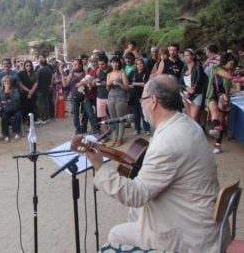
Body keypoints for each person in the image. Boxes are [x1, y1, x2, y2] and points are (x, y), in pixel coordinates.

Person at [84, 74, 221, 252]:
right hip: (200, 217)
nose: (142, 104)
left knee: (116, 235)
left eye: (143, 99)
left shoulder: (167, 141)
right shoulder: (188, 123)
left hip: (188, 234)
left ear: (154, 101)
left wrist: (99, 166)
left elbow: (135, 195)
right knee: (137, 212)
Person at [205, 52, 236, 154]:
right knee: (214, 111)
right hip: (212, 94)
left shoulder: (229, 70)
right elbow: (228, 76)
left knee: (221, 121)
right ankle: (215, 127)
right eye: (230, 64)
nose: (232, 66)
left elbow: (227, 87)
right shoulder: (216, 68)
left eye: (233, 64)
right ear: (224, 62)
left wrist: (227, 97)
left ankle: (218, 144)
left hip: (223, 97)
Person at [179, 48, 208, 123]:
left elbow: (199, 80)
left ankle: (198, 132)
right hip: (186, 94)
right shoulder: (184, 68)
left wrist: (193, 90)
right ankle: (195, 132)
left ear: (193, 56)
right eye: (184, 56)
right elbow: (180, 82)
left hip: (196, 93)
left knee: (194, 116)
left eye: (187, 55)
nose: (185, 57)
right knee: (190, 116)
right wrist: (185, 88)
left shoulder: (198, 66)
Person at [106, 55, 129, 147]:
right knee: (112, 119)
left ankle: (120, 138)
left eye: (116, 62)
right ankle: (114, 138)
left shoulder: (122, 73)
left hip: (120, 98)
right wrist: (109, 84)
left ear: (119, 63)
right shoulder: (109, 74)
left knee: (120, 119)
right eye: (112, 62)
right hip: (110, 97)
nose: (114, 64)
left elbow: (126, 87)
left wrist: (119, 83)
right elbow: (107, 88)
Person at [127, 58, 150, 135]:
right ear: (135, 65)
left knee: (144, 114)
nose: (139, 65)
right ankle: (137, 129)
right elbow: (128, 83)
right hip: (134, 96)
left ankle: (147, 129)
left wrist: (136, 84)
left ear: (143, 64)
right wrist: (130, 86)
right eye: (137, 64)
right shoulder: (132, 73)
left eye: (141, 63)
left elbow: (146, 84)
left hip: (143, 97)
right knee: (136, 114)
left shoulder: (146, 73)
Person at [64, 58, 85, 134]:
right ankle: (78, 128)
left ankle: (84, 126)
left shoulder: (84, 73)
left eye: (76, 64)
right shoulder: (72, 73)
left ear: (80, 65)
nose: (74, 65)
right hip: (74, 95)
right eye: (74, 64)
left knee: (85, 112)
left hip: (84, 95)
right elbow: (66, 84)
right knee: (75, 113)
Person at [0, 75, 22, 142]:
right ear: (3, 83)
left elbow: (16, 98)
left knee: (18, 115)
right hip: (6, 109)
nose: (7, 83)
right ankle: (6, 134)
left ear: (11, 82)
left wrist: (7, 101)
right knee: (4, 117)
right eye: (5, 82)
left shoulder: (15, 90)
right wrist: (6, 91)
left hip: (15, 108)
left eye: (8, 81)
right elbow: (1, 99)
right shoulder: (1, 91)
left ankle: (17, 132)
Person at [35, 54, 53, 124]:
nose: (39, 59)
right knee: (46, 103)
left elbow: (36, 80)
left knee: (40, 104)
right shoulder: (48, 69)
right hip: (47, 88)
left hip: (40, 89)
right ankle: (47, 117)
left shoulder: (40, 70)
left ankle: (43, 118)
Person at [18, 60, 38, 124]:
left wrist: (31, 92)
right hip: (24, 93)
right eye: (27, 65)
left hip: (33, 93)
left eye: (30, 65)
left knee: (32, 107)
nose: (28, 67)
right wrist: (28, 91)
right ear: (25, 66)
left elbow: (36, 83)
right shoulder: (21, 73)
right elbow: (20, 84)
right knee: (24, 107)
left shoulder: (35, 73)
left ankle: (31, 122)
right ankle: (24, 119)